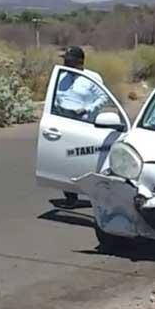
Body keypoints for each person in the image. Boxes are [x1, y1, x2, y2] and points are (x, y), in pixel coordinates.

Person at [56, 46, 109, 209]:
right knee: (64, 160)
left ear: (79, 61)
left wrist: (87, 109)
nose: (66, 63)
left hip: (84, 124)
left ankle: (97, 197)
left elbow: (103, 96)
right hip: (64, 123)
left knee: (84, 161)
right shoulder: (61, 77)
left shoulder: (92, 77)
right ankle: (70, 196)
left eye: (69, 60)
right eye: (65, 60)